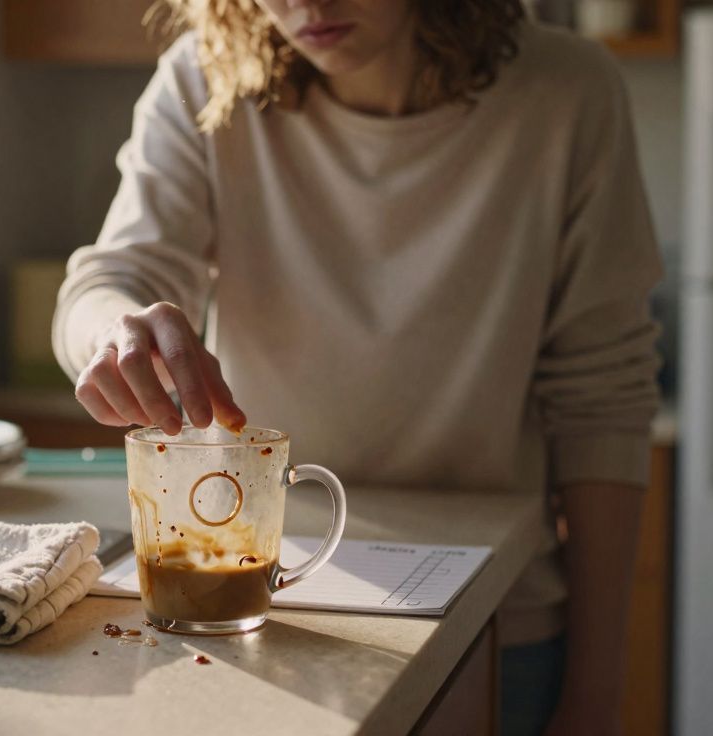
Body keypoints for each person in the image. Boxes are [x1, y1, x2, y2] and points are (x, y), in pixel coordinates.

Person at [51, 1, 661, 734]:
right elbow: (109, 280)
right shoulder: (207, 80)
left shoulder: (568, 92)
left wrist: (597, 691)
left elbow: (603, 397)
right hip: (269, 615)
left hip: (496, 627)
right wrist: (114, 332)